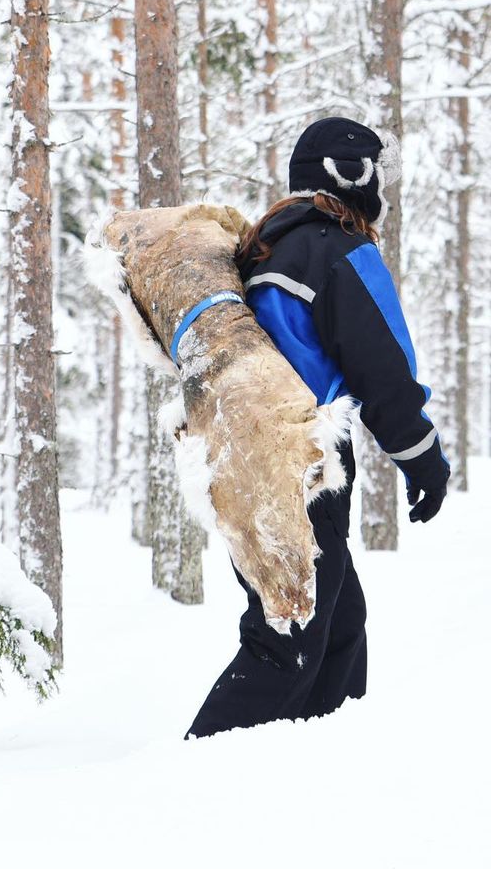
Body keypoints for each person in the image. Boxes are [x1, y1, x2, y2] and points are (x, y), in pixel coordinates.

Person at [187, 116, 450, 738]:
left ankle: (319, 759)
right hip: (303, 460)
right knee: (289, 638)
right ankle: (195, 768)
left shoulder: (262, 249)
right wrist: (423, 459)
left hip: (241, 461)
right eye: (378, 172)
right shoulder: (340, 250)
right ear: (352, 176)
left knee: (339, 624)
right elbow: (384, 368)